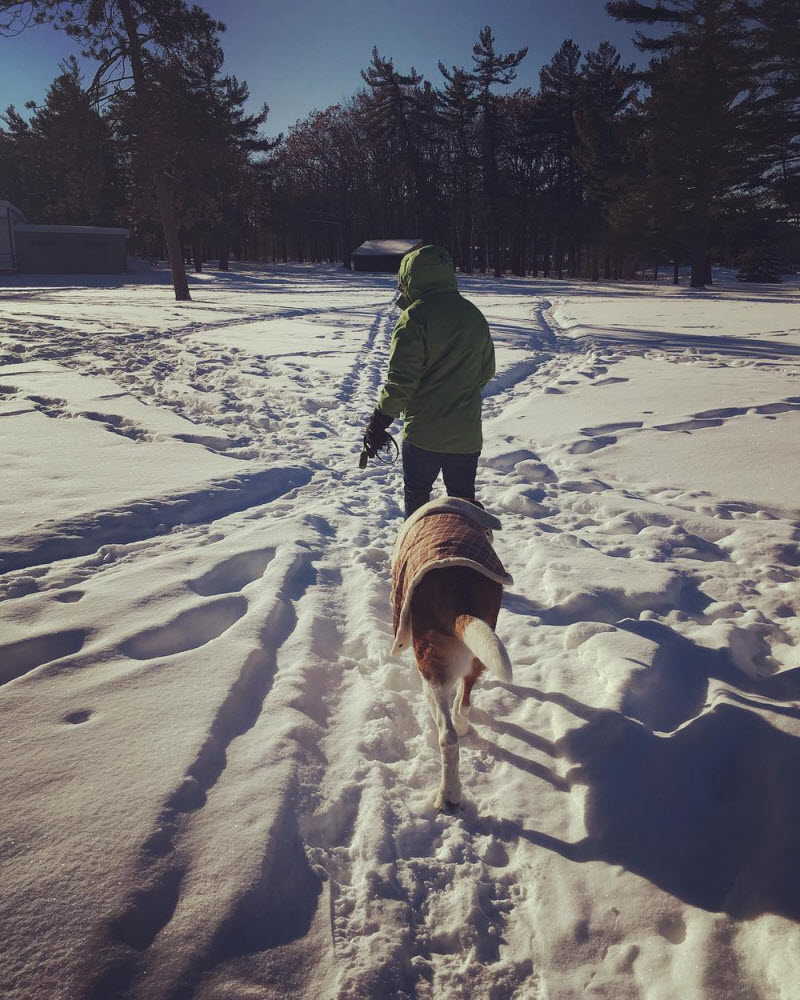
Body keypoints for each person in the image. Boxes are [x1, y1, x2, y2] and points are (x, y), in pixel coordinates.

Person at [363, 244, 496, 518]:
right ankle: (464, 554)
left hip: (424, 434)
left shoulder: (414, 318)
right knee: (463, 507)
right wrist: (458, 393)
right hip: (465, 434)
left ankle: (416, 556)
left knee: (417, 501)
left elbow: (401, 382)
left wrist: (379, 422)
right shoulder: (473, 315)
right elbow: (486, 370)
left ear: (410, 278)